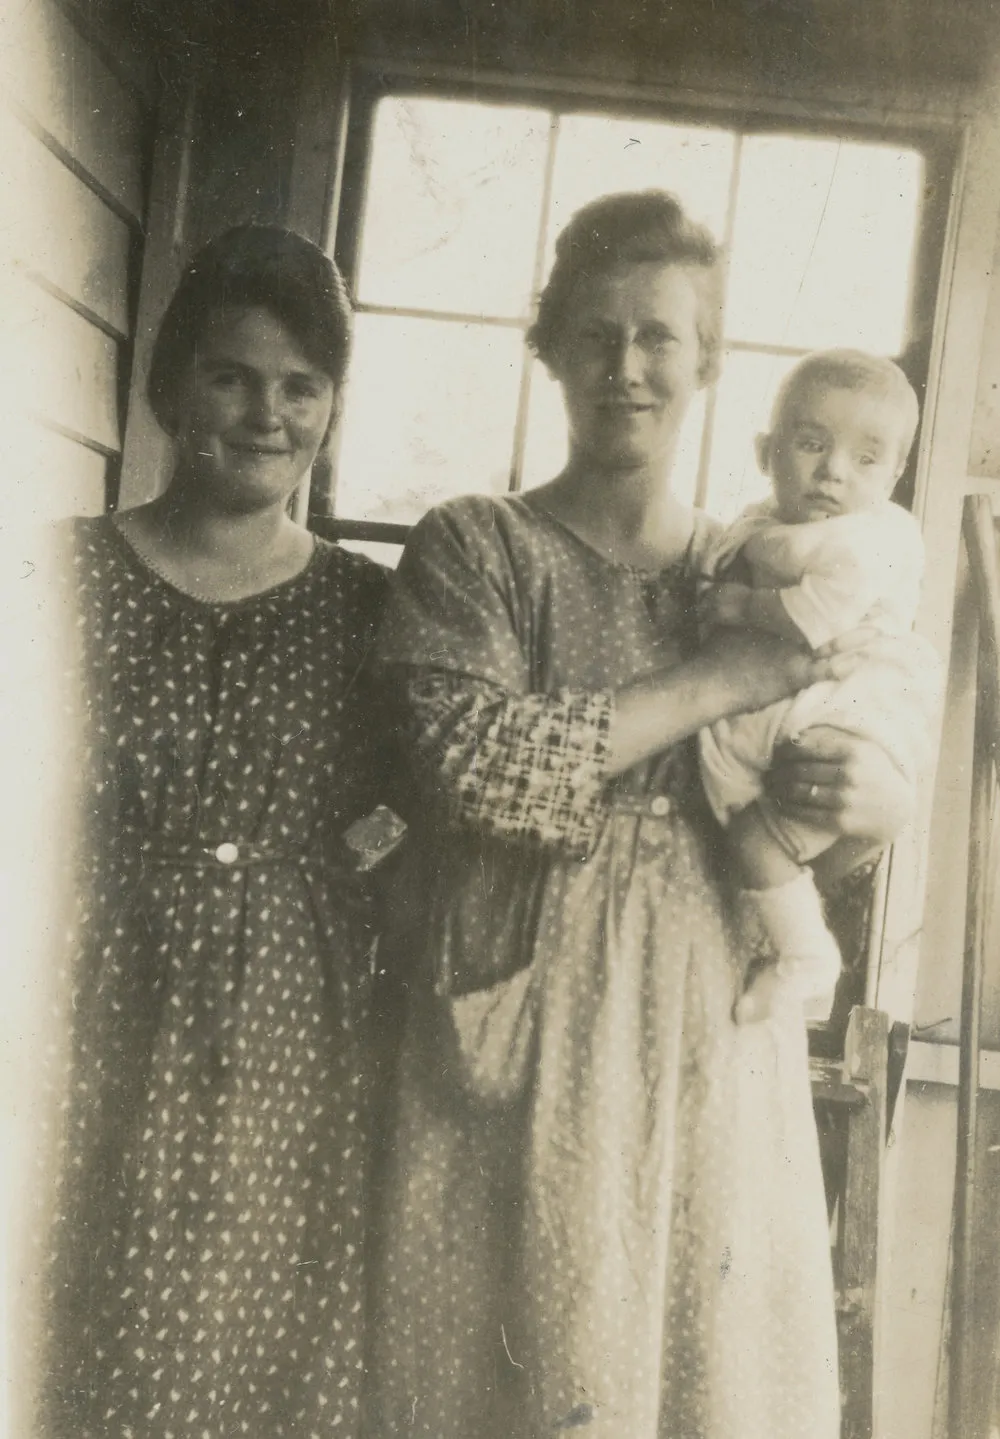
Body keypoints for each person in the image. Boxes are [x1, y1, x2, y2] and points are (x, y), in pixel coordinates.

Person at [365, 191, 923, 1439]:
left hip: (712, 1028)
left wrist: (874, 809)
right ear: (550, 345)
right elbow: (480, 767)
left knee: (704, 1375)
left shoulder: (760, 559)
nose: (627, 367)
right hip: (524, 1025)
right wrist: (721, 679)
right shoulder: (480, 545)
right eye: (598, 334)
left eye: (660, 337)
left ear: (708, 362)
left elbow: (826, 758)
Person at [41, 226, 392, 1439]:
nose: (265, 414)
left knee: (242, 1344)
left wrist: (340, 874)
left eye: (301, 387)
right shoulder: (55, 575)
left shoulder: (366, 609)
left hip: (288, 1027)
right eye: (231, 375)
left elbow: (404, 807)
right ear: (170, 382)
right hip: (67, 998)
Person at [698, 349, 941, 1025]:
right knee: (749, 814)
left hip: (854, 703)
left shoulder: (866, 538)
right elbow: (744, 542)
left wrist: (742, 608)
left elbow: (817, 617)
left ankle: (807, 957)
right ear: (766, 450)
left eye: (866, 459)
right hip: (817, 699)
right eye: (812, 444)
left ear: (895, 473)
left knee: (756, 835)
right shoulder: (773, 521)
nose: (834, 470)